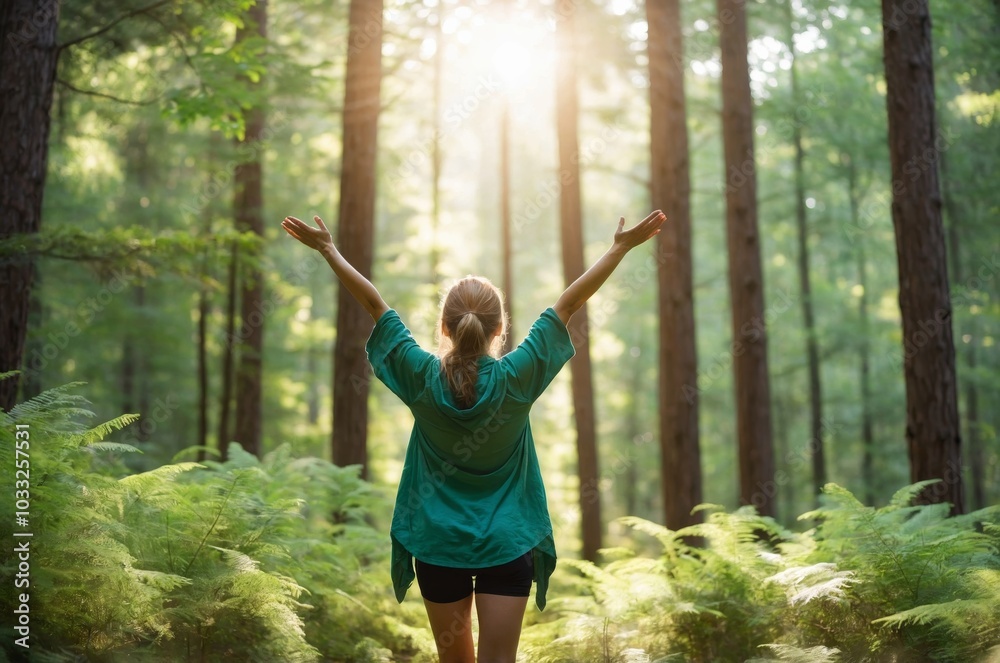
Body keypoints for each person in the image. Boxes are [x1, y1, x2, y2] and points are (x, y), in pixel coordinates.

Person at [281, 210, 666, 663]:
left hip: (438, 544)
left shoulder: (421, 377)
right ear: (499, 329)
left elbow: (375, 306)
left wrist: (329, 249)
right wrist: (619, 247)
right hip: (508, 542)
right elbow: (566, 306)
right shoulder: (517, 379)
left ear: (444, 328)